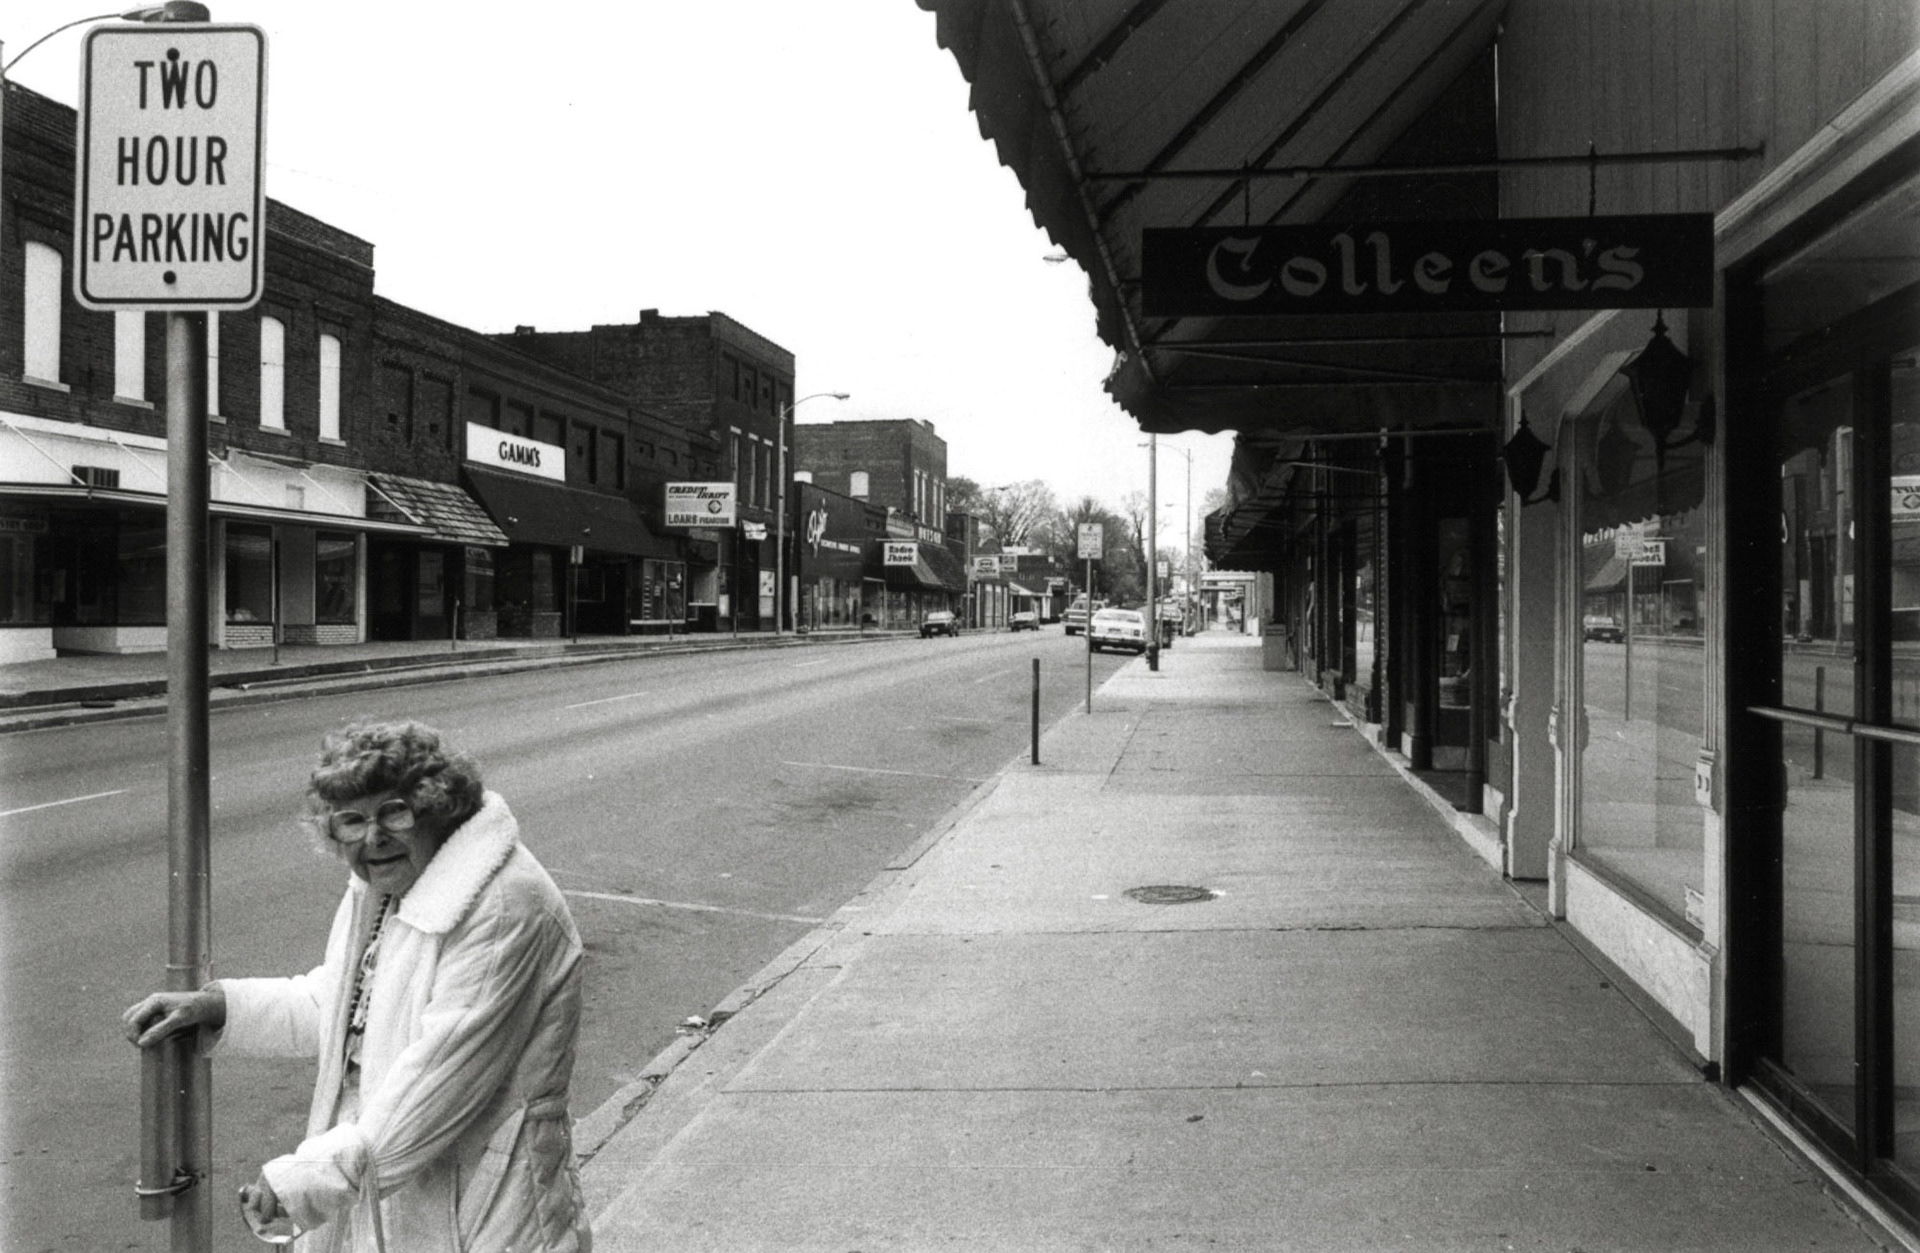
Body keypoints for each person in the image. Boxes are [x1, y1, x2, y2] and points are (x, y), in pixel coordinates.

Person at [123, 721, 591, 1252]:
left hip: (484, 1215)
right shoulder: (387, 884)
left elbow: (435, 1085)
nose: (374, 837)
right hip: (397, 1201)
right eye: (351, 821)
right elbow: (346, 1005)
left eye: (395, 811)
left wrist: (303, 1182)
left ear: (439, 807)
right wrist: (220, 1006)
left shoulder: (504, 907)